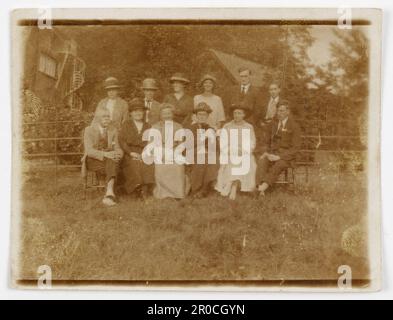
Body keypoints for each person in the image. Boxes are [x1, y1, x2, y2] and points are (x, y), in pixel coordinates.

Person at [256, 100, 301, 196]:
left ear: (288, 112)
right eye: (278, 111)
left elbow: (296, 148)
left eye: (282, 111)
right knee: (262, 160)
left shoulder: (294, 126)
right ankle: (260, 186)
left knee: (279, 164)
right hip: (272, 153)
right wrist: (266, 152)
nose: (279, 113)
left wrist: (279, 156)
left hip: (287, 156)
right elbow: (266, 141)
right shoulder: (273, 124)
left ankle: (263, 186)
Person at [82, 108, 123, 206]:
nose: (107, 119)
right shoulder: (89, 130)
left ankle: (109, 193)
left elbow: (117, 147)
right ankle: (109, 193)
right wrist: (106, 154)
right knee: (111, 162)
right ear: (97, 118)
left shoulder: (113, 130)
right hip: (93, 160)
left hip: (108, 160)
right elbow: (89, 151)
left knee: (113, 161)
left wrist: (118, 154)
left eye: (108, 116)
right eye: (103, 117)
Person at [215, 103, 257, 200]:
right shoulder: (227, 126)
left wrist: (243, 150)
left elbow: (252, 142)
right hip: (230, 152)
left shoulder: (248, 127)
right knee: (233, 161)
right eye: (235, 113)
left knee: (246, 161)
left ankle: (235, 186)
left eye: (239, 113)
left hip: (244, 152)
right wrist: (230, 150)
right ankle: (234, 186)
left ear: (244, 115)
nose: (237, 115)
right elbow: (223, 142)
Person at [151, 103, 190, 199]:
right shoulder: (155, 127)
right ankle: (163, 194)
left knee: (177, 165)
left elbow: (181, 144)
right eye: (164, 114)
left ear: (172, 114)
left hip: (174, 151)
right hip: (160, 152)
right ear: (160, 115)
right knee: (161, 165)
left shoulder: (178, 126)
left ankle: (177, 194)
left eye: (169, 113)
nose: (167, 116)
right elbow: (151, 144)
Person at [118, 98, 155, 199]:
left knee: (148, 163)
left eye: (140, 111)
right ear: (131, 113)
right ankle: (136, 190)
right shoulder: (126, 124)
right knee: (133, 164)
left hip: (144, 152)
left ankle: (145, 189)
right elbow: (122, 141)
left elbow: (151, 142)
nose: (138, 113)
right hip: (129, 152)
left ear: (143, 112)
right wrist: (131, 153)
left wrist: (145, 154)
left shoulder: (148, 126)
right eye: (135, 111)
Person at [185, 102, 219, 198]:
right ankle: (197, 189)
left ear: (207, 116)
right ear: (195, 116)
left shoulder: (210, 128)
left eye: (204, 114)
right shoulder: (190, 128)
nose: (202, 116)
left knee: (213, 159)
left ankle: (204, 188)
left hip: (207, 153)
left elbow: (215, 145)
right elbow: (188, 144)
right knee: (201, 159)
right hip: (191, 152)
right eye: (200, 114)